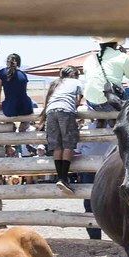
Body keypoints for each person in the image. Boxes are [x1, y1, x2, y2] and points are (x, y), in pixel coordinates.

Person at [37, 65, 83, 194]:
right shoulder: (77, 82)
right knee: (68, 144)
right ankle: (64, 178)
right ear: (74, 75)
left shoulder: (55, 83)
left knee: (57, 146)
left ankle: (60, 177)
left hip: (51, 112)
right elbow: (77, 101)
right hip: (66, 111)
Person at [82, 37, 129, 116]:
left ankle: (106, 121)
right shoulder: (121, 57)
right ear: (116, 44)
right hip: (111, 103)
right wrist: (125, 56)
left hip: (92, 103)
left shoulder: (89, 59)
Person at [0, 53, 34, 125]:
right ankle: (24, 128)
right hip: (26, 108)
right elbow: (22, 92)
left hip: (10, 109)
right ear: (18, 63)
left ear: (7, 62)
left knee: (7, 116)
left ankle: (10, 128)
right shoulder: (23, 74)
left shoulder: (2, 73)